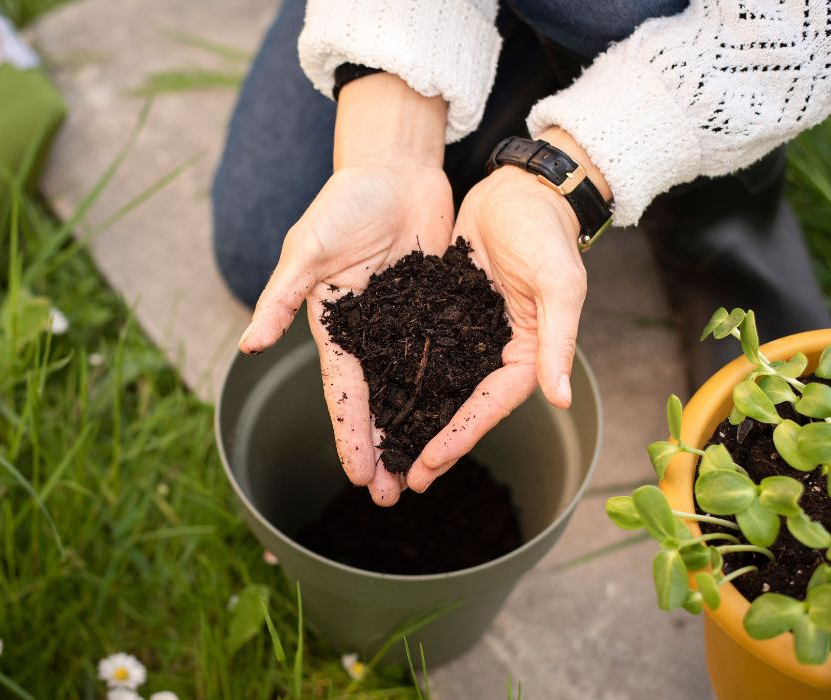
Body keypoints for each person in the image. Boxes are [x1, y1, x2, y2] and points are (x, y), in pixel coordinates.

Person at [212, 0, 831, 506]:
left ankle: (715, 219)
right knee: (263, 245)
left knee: (607, 7)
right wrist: (390, 144)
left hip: (723, 29)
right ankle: (519, 64)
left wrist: (566, 178)